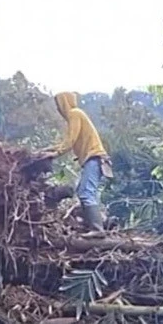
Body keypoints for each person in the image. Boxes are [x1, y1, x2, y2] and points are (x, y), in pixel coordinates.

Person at [50, 92, 111, 231]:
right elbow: (65, 142)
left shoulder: (74, 114)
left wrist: (54, 154)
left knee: (86, 193)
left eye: (59, 104)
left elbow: (70, 141)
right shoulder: (76, 115)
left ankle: (97, 230)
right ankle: (96, 224)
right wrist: (48, 150)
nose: (58, 109)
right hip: (94, 160)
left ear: (64, 102)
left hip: (94, 158)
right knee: (82, 191)